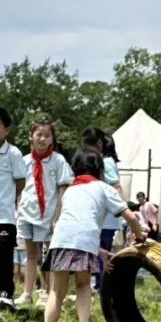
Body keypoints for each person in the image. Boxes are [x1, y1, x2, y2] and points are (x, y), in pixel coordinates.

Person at [39, 149, 146, 322]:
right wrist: (140, 237)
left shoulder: (70, 190)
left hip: (60, 240)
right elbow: (131, 217)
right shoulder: (104, 188)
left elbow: (73, 224)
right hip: (84, 242)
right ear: (100, 169)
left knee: (56, 291)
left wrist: (97, 250)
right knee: (83, 284)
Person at [16, 120, 73, 307]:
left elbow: (63, 189)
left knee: (49, 257)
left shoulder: (58, 161)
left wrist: (58, 217)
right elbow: (19, 188)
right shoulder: (23, 161)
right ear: (31, 137)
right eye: (39, 134)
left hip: (48, 216)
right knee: (31, 256)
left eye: (47, 135)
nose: (42, 138)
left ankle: (50, 294)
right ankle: (27, 293)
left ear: (52, 139)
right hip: (27, 213)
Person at [82, 128, 124, 290]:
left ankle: (101, 284)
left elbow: (116, 186)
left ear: (98, 144)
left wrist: (115, 209)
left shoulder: (106, 162)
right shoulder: (103, 161)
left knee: (102, 250)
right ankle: (100, 283)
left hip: (107, 218)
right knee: (100, 249)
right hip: (104, 216)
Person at [0, 108, 28, 311]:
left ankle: (6, 294)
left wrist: (9, 200)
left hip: (4, 216)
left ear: (6, 130)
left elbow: (20, 182)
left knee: (3, 257)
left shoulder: (13, 153)